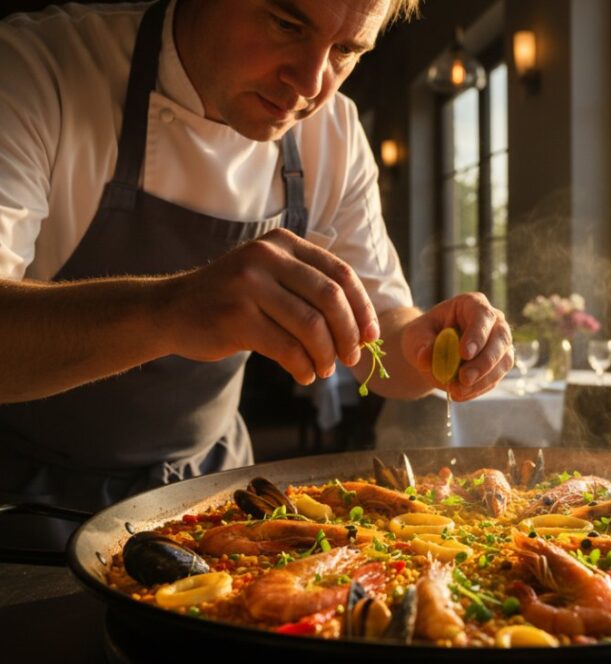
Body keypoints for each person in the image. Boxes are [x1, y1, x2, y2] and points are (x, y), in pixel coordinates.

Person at [0, 0, 514, 534]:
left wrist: (430, 347)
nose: (311, 84)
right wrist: (169, 310)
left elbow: (379, 334)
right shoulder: (37, 70)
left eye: (345, 50)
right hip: (21, 498)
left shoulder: (334, 134)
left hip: (210, 493)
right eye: (287, 24)